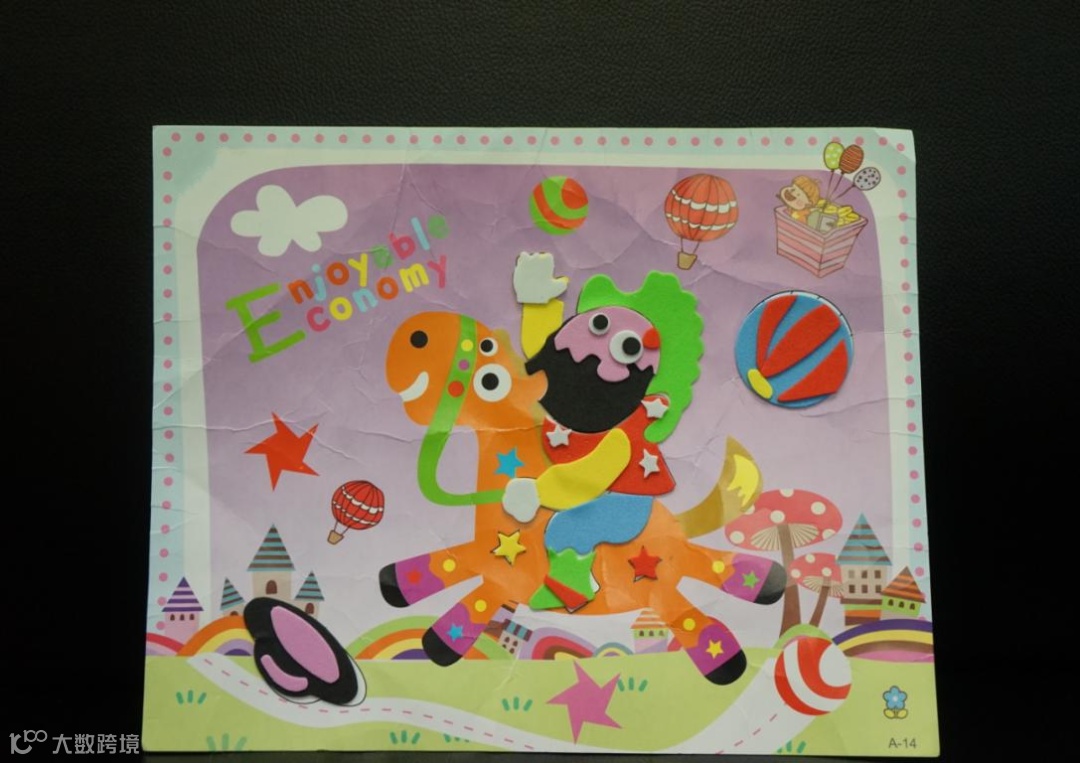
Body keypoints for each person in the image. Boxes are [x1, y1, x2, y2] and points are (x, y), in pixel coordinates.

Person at [502, 252, 703, 610]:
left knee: (565, 530)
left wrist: (538, 492)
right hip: (605, 492)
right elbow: (546, 352)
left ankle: (572, 591)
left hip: (625, 502)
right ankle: (578, 582)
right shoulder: (583, 395)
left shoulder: (619, 435)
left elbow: (589, 478)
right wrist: (537, 301)